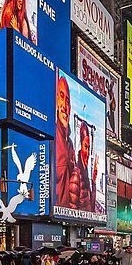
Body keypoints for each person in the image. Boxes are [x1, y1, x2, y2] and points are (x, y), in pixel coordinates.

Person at [55, 76, 75, 208]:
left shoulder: (70, 145)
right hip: (51, 211)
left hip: (66, 215)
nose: (64, 106)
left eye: (67, 101)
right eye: (61, 96)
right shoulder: (52, 136)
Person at [69, 121, 98, 211]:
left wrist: (94, 182)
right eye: (85, 147)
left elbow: (91, 209)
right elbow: (72, 210)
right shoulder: (76, 175)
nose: (88, 153)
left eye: (89, 148)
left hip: (85, 223)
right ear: (80, 147)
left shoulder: (85, 175)